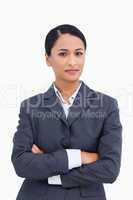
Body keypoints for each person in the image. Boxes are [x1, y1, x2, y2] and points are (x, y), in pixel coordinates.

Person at [11, 24, 122, 200]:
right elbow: (21, 164)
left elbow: (110, 169)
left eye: (78, 53)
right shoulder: (30, 106)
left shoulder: (107, 106)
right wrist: (79, 157)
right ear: (48, 58)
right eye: (63, 54)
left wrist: (52, 172)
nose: (72, 62)